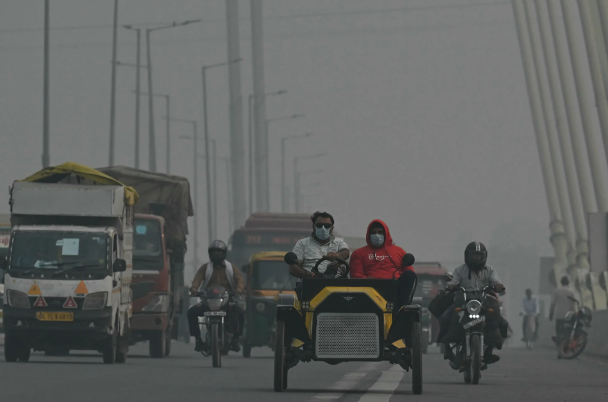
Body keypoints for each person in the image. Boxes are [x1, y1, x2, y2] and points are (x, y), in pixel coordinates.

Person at [439, 242, 505, 366]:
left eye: (479, 256)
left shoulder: (489, 270)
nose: (476, 258)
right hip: (463, 301)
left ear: (484, 256)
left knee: (499, 320)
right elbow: (453, 281)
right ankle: (448, 350)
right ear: (467, 256)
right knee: (445, 318)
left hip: (483, 302)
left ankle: (489, 350)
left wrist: (498, 285)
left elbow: (496, 281)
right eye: (474, 256)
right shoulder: (460, 270)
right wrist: (452, 285)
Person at [187, 240, 245, 353]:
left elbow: (240, 280)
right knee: (191, 312)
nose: (216, 254)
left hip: (227, 301)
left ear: (224, 253)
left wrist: (238, 289)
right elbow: (198, 279)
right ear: (210, 253)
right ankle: (198, 340)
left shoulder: (231, 268)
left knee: (241, 314)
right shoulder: (205, 268)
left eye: (219, 252)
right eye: (214, 252)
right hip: (208, 301)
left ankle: (235, 339)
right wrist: (194, 289)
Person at [349, 220, 418, 312]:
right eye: (373, 233)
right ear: (368, 235)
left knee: (410, 275)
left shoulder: (399, 251)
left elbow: (409, 271)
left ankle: (400, 311)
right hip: (370, 289)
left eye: (380, 232)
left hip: (395, 289)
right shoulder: (358, 253)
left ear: (386, 234)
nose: (377, 235)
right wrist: (365, 279)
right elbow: (355, 274)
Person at [288, 211, 350, 279]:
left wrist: (337, 255)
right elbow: (293, 268)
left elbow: (346, 253)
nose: (323, 228)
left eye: (327, 226)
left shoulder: (339, 243)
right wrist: (312, 276)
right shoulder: (302, 244)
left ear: (332, 228)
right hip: (310, 285)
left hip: (334, 285)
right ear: (314, 227)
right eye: (319, 225)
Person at [549, 276, 576, 344]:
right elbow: (572, 306)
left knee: (559, 333)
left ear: (561, 282)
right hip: (568, 317)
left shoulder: (557, 291)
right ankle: (565, 349)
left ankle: (559, 348)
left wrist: (551, 314)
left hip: (559, 316)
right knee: (567, 334)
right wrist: (574, 315)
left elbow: (552, 304)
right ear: (568, 283)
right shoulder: (571, 292)